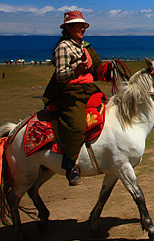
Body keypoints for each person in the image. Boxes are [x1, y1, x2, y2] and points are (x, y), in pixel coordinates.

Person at [42, 10, 114, 186]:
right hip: (70, 92)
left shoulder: (85, 47)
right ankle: (70, 166)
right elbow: (60, 76)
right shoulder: (63, 48)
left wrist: (109, 70)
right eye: (78, 25)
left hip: (89, 89)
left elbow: (96, 70)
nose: (82, 28)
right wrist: (76, 71)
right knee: (77, 124)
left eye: (83, 26)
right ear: (68, 28)